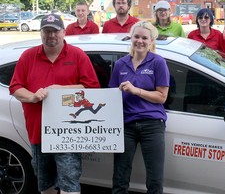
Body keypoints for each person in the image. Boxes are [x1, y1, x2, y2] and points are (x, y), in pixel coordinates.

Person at [9, 14, 100, 194]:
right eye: (46, 31)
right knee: (45, 184)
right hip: (39, 133)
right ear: (41, 32)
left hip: (68, 133)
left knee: (69, 183)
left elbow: (92, 87)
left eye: (55, 31)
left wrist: (62, 89)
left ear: (64, 32)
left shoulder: (77, 55)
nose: (51, 35)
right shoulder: (28, 56)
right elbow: (15, 87)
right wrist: (33, 97)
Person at [109, 20, 170, 194]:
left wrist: (136, 91)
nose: (140, 41)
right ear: (131, 38)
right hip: (126, 124)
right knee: (120, 177)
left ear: (151, 41)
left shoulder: (158, 62)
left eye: (144, 38)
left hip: (152, 124)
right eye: (136, 36)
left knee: (154, 178)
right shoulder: (121, 64)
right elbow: (112, 95)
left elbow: (162, 97)